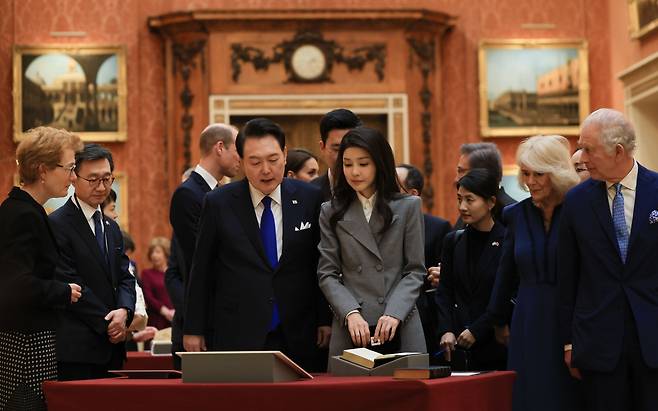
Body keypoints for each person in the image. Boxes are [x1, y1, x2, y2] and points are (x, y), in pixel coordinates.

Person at [183, 118, 331, 372]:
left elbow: (318, 264)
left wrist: (324, 319)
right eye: (255, 162)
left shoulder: (310, 198)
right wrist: (193, 328)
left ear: (285, 155)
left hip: (298, 329)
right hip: (238, 330)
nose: (266, 170)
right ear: (240, 160)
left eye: (273, 160)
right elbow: (201, 269)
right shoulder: (218, 203)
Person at [559, 109, 658, 411]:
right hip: (598, 343)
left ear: (617, 151)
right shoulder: (575, 202)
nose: (581, 157)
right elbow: (567, 276)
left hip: (653, 340)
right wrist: (569, 342)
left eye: (588, 149)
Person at [486, 135, 582, 410]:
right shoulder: (515, 215)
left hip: (570, 317)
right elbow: (506, 272)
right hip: (528, 320)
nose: (530, 181)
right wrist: (497, 320)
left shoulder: (578, 211)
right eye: (525, 173)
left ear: (558, 172)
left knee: (567, 395)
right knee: (530, 396)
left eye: (539, 173)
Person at [317, 126, 427, 361]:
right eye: (347, 164)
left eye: (363, 164)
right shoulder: (331, 211)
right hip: (352, 327)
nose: (354, 172)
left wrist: (394, 313)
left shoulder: (409, 206)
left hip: (400, 321)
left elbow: (415, 271)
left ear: (379, 163)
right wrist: (349, 313)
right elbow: (327, 273)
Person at [0, 127, 83, 410]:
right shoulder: (22, 214)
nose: (73, 177)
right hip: (25, 344)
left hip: (30, 339)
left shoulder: (28, 210)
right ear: (42, 170)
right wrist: (62, 291)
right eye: (69, 168)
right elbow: (16, 284)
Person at [49, 143, 136, 381]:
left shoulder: (111, 227)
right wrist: (108, 322)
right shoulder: (57, 224)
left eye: (107, 179)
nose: (102, 187)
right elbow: (68, 280)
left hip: (113, 348)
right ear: (74, 178)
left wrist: (125, 312)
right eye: (93, 180)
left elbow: (125, 276)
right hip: (78, 349)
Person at [165, 123, 241, 368]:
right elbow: (200, 261)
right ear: (220, 147)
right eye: (238, 149)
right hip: (203, 317)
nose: (242, 157)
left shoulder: (222, 192)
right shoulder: (189, 194)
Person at [435, 169, 507, 371]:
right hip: (458, 344)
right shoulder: (453, 240)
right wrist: (446, 329)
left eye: (469, 200)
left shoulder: (508, 240)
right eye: (459, 199)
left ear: (491, 202)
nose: (462, 207)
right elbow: (445, 291)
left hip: (495, 342)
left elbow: (506, 294)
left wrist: (478, 329)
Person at [396, 163, 451, 362]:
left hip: (423, 318)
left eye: (394, 187)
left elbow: (444, 281)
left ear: (413, 194)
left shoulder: (438, 227)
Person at [454, 143, 516, 229]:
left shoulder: (514, 213)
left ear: (482, 174)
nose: (456, 179)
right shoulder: (467, 209)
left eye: (461, 171)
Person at [312, 108, 362, 201]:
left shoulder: (374, 189)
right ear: (322, 147)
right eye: (337, 149)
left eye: (350, 147)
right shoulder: (310, 193)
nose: (344, 157)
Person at [142, 237, 174, 330]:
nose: (154, 255)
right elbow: (148, 297)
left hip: (176, 317)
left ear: (166, 253)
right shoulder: (146, 274)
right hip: (156, 320)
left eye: (158, 252)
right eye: (152, 252)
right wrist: (166, 312)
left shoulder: (174, 273)